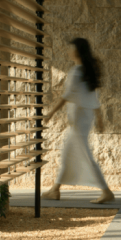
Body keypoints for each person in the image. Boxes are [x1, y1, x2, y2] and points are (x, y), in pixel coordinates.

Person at [42, 37, 115, 204]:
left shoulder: (77, 72)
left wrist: (51, 113)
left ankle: (106, 191)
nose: (68, 51)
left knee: (84, 154)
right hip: (85, 117)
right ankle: (55, 189)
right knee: (68, 153)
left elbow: (66, 96)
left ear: (77, 51)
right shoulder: (85, 71)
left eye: (71, 48)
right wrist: (99, 118)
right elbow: (93, 97)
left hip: (79, 118)